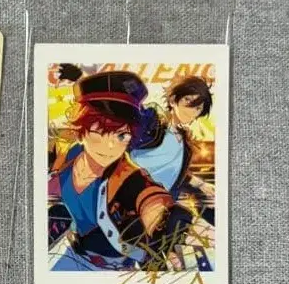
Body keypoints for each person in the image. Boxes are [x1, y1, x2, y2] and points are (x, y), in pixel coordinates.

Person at [48, 70, 193, 271]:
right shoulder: (71, 155)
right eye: (99, 132)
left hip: (112, 270)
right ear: (81, 130)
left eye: (121, 136)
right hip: (73, 254)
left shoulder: (128, 177)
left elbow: (149, 196)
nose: (110, 146)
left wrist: (163, 218)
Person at [132, 76, 215, 224]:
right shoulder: (153, 123)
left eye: (198, 108)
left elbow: (174, 172)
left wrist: (201, 184)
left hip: (160, 207)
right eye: (187, 100)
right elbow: (133, 114)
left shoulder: (185, 144)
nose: (191, 110)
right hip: (132, 198)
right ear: (173, 100)